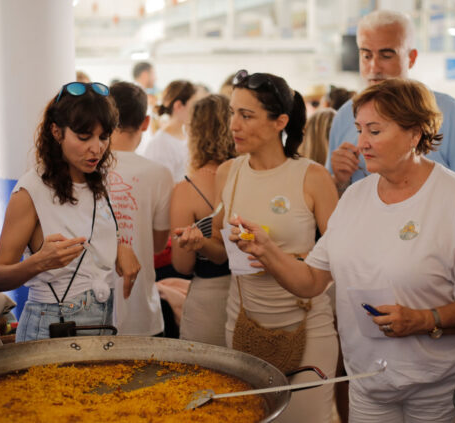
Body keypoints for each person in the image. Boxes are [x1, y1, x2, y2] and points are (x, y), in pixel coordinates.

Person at [231, 78, 455, 422]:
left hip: (435, 388)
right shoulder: (355, 198)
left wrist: (424, 319)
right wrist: (266, 249)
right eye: (359, 130)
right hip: (367, 385)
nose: (361, 144)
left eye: (374, 131)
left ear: (415, 132)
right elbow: (312, 280)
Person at [175, 70, 339, 422]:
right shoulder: (229, 173)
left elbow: (340, 255)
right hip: (243, 323)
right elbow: (222, 250)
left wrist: (276, 255)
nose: (234, 124)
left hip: (307, 326)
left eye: (246, 115)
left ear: (280, 121)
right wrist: (201, 242)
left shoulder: (312, 177)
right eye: (233, 112)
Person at [0, 81, 128, 342]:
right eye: (84, 137)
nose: (96, 148)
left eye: (104, 137)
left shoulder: (97, 182)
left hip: (102, 325)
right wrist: (39, 261)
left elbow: (91, 236)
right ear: (56, 132)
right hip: (51, 328)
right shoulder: (31, 191)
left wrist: (119, 249)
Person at [328, 10, 455, 199]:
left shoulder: (446, 111)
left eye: (386, 55)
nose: (374, 67)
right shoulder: (344, 116)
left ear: (412, 58)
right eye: (366, 56)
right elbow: (336, 208)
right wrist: (341, 180)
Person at [108, 81, 173, 337]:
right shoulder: (159, 174)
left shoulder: (85, 169)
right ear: (145, 123)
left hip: (90, 313)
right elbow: (158, 245)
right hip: (141, 310)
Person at [171, 94, 236, 346]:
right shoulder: (251, 176)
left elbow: (183, 265)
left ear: (194, 133)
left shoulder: (187, 190)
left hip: (208, 299)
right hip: (253, 295)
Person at [140, 80, 200, 184]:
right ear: (178, 106)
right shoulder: (160, 144)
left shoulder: (185, 137)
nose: (197, 111)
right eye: (194, 105)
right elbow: (159, 186)